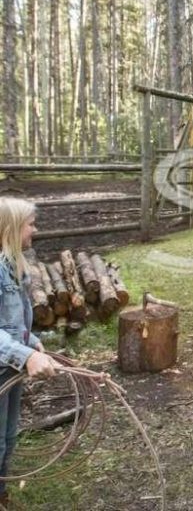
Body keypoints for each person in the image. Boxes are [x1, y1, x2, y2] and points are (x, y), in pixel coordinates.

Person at [0, 198, 58, 508]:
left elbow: (14, 321)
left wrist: (32, 341)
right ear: (10, 229)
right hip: (4, 367)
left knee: (8, 437)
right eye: (30, 224)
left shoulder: (15, 266)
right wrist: (26, 356)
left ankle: (2, 492)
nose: (35, 229)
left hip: (10, 368)